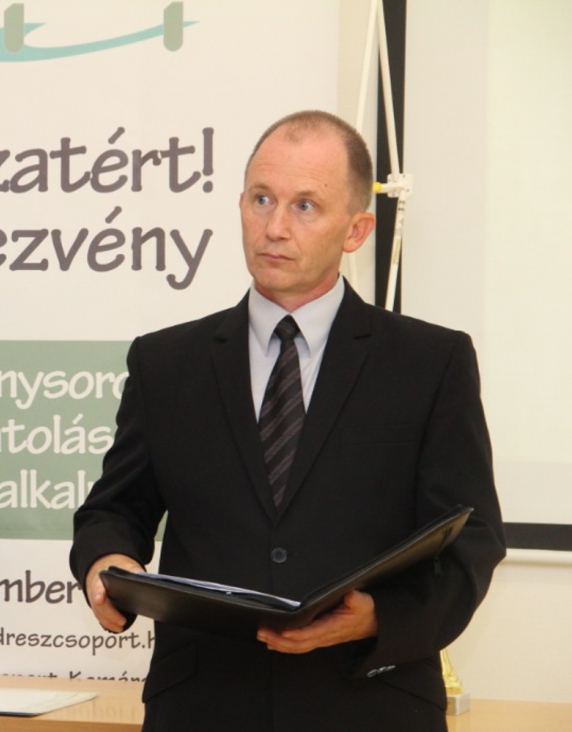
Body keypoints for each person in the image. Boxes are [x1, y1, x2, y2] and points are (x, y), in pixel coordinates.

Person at [70, 110, 505, 732]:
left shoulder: (430, 362)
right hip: (203, 707)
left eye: (305, 206)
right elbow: (115, 509)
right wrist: (107, 564)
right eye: (261, 199)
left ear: (356, 230)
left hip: (370, 708)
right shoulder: (165, 362)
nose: (274, 227)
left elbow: (471, 539)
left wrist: (378, 616)